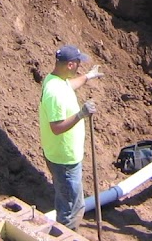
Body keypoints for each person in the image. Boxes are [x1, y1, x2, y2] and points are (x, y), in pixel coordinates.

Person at [39, 45, 104, 230]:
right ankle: (66, 234)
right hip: (64, 160)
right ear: (69, 65)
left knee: (73, 202)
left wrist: (88, 77)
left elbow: (71, 85)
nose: (79, 67)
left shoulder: (55, 80)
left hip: (64, 156)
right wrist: (81, 114)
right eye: (77, 64)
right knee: (70, 210)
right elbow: (57, 128)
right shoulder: (55, 93)